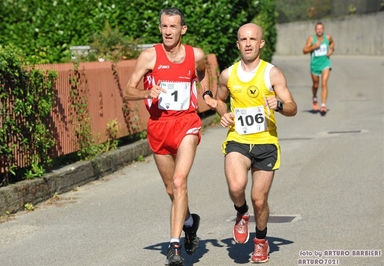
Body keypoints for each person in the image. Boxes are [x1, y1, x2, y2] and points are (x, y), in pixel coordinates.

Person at [124, 7, 214, 266]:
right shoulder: (149, 56)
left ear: (182, 29)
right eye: (164, 26)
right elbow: (129, 90)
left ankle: (174, 247)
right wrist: (146, 93)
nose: (167, 31)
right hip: (159, 126)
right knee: (170, 189)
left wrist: (205, 95)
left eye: (173, 26)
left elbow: (203, 73)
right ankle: (189, 222)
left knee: (178, 181)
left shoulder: (195, 54)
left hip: (186, 122)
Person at [211, 23, 297, 263]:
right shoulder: (228, 74)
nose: (247, 43)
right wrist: (223, 113)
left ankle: (260, 241)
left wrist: (279, 105)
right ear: (238, 44)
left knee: (259, 200)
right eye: (243, 39)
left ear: (261, 43)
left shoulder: (272, 73)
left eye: (252, 39)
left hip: (266, 142)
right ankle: (241, 213)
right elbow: (219, 101)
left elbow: (292, 107)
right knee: (237, 186)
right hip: (237, 139)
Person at [303, 22, 335, 115]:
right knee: (316, 85)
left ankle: (323, 105)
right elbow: (304, 50)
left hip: (325, 63)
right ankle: (314, 97)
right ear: (315, 30)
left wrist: (331, 50)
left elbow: (332, 43)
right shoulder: (311, 39)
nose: (319, 30)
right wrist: (314, 46)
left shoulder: (328, 37)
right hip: (314, 65)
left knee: (324, 83)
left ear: (323, 29)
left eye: (321, 29)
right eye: (318, 29)